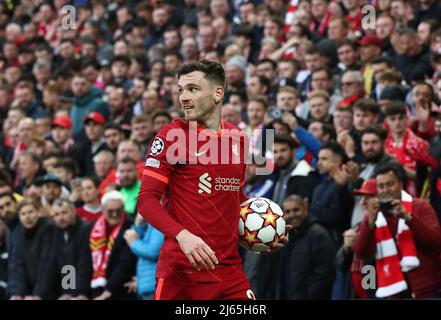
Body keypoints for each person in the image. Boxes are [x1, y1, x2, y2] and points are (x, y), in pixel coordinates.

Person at [137, 60, 289, 300]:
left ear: (218, 93)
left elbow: (233, 196)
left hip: (229, 270)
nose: (184, 97)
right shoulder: (171, 136)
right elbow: (146, 201)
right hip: (182, 273)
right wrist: (182, 235)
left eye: (193, 89)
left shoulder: (237, 138)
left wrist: (261, 228)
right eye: (181, 90)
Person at [354, 162, 441, 299]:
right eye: (381, 186)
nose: (385, 190)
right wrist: (369, 223)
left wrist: (409, 218)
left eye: (390, 184)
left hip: (426, 290)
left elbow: (435, 242)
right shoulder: (373, 217)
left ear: (400, 185)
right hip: (393, 293)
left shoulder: (420, 207)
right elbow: (362, 254)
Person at [77, 190, 136, 300]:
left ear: (123, 208)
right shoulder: (91, 229)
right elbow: (84, 262)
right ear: (103, 210)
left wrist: (109, 290)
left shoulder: (130, 227)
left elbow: (125, 263)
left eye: (118, 211)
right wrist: (82, 293)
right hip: (95, 289)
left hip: (120, 290)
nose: (114, 214)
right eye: (110, 211)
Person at [37, 199, 89, 300]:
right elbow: (53, 266)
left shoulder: (85, 230)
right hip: (70, 290)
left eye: (64, 213)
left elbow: (84, 266)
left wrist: (76, 293)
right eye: (56, 214)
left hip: (86, 291)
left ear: (74, 212)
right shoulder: (57, 232)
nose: (61, 218)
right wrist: (40, 295)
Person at [8, 200, 54, 300]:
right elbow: (16, 267)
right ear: (19, 217)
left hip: (53, 289)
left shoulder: (49, 229)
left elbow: (47, 266)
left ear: (38, 212)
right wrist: (17, 293)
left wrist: (38, 294)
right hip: (31, 290)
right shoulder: (17, 234)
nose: (27, 217)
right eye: (23, 214)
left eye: (30, 212)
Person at [123, 214, 164, 300]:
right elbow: (133, 237)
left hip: (153, 287)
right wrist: (137, 223)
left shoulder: (160, 221)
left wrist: (134, 243)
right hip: (148, 286)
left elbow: (153, 252)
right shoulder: (151, 223)